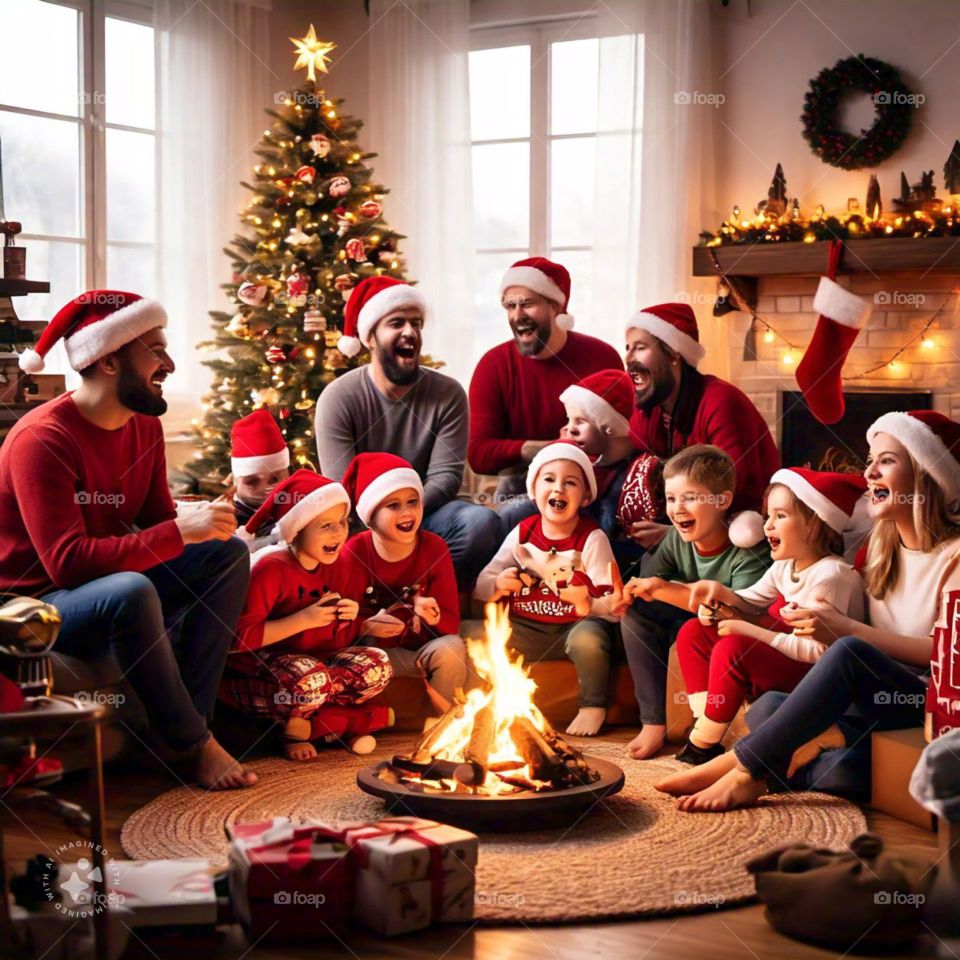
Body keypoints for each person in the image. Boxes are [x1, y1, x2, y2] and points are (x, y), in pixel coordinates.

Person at [0, 290, 255, 789]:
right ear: (109, 360)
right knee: (130, 591)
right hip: (33, 604)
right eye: (155, 350)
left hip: (99, 586)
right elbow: (67, 565)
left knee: (224, 555)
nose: (170, 363)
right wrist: (178, 531)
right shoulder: (43, 440)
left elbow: (159, 521)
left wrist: (206, 522)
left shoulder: (143, 428)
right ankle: (195, 744)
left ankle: (184, 733)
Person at [655, 411, 960, 812]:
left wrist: (846, 630)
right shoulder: (877, 550)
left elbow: (942, 657)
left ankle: (746, 769)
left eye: (887, 460)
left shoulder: (955, 556)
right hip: (868, 704)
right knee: (770, 711)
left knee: (848, 653)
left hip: (919, 702)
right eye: (870, 460)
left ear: (927, 473)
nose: (869, 472)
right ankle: (826, 743)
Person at [315, 276, 500, 588]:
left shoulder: (448, 394)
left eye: (416, 323)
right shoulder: (338, 398)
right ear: (370, 337)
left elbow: (446, 477)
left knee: (480, 523)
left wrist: (406, 514)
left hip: (428, 514)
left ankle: (429, 599)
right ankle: (386, 601)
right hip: (365, 521)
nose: (410, 332)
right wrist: (386, 518)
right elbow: (341, 486)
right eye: (396, 323)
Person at [676, 468, 866, 764]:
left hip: (819, 677)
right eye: (767, 516)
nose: (767, 527)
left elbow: (817, 652)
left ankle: (702, 745)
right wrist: (717, 598)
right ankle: (710, 726)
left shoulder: (833, 575)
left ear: (814, 525)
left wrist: (747, 630)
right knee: (693, 631)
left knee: (735, 647)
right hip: (789, 659)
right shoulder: (784, 566)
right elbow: (748, 601)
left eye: (780, 516)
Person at [227, 470, 393, 760]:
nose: (339, 533)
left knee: (376, 665)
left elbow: (336, 642)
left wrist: (350, 618)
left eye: (342, 522)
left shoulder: (339, 563)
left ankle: (314, 723)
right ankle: (299, 730)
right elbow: (236, 640)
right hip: (260, 670)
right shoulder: (271, 569)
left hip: (315, 664)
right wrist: (303, 620)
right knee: (311, 679)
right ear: (297, 530)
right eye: (326, 526)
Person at [618, 445, 771, 760]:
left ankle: (708, 728)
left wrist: (663, 589)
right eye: (672, 499)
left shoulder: (746, 551)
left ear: (722, 501)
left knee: (688, 620)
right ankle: (653, 722)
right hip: (689, 620)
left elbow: (740, 614)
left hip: (739, 631)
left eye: (689, 497)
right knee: (637, 610)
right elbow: (647, 585)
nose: (677, 509)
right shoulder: (676, 539)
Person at [471, 441, 621, 736]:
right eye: (549, 479)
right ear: (533, 489)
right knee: (471, 634)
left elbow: (614, 605)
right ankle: (489, 702)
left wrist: (588, 602)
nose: (559, 489)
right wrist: (499, 584)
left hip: (573, 628)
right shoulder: (523, 532)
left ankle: (593, 706)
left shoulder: (592, 538)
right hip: (526, 628)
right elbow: (481, 585)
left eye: (571, 483)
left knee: (589, 641)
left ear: (586, 495)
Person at [624, 301, 779, 548]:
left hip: (740, 522)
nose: (629, 358)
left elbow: (733, 487)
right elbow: (630, 445)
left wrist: (673, 534)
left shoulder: (720, 400)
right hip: (688, 515)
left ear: (674, 354)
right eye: (627, 348)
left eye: (640, 348)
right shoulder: (653, 405)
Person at [467, 257, 623, 503]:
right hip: (527, 482)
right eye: (510, 306)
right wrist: (549, 446)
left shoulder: (603, 357)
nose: (517, 315)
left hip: (595, 478)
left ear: (554, 307)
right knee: (512, 508)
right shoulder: (493, 365)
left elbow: (625, 433)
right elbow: (478, 454)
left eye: (527, 304)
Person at [339, 452, 467, 712]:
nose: (407, 512)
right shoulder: (354, 552)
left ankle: (444, 725)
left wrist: (433, 617)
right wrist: (365, 626)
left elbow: (452, 623)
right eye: (393, 505)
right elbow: (338, 621)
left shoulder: (435, 548)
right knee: (348, 662)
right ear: (371, 515)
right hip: (373, 654)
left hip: (419, 652)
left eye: (412, 502)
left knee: (452, 649)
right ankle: (360, 720)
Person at [559, 369, 636, 534]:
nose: (570, 429)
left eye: (580, 421)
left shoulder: (627, 480)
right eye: (569, 419)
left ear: (610, 427)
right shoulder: (580, 455)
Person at [229, 408, 290, 553]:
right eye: (252, 482)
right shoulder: (225, 520)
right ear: (235, 480)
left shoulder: (300, 506)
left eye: (274, 478)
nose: (264, 489)